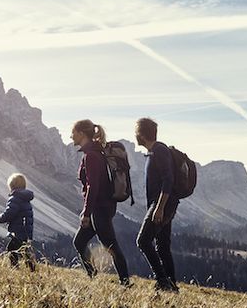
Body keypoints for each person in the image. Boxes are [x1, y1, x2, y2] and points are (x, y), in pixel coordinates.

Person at [71, 119, 130, 285]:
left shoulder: (91, 156)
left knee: (111, 245)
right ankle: (93, 275)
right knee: (79, 241)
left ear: (82, 134)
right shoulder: (97, 153)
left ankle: (125, 282)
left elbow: (93, 186)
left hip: (99, 209)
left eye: (73, 132)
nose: (71, 136)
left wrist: (86, 213)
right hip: (104, 207)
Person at [135, 117, 179, 291]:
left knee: (143, 241)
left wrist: (159, 208)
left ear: (142, 134)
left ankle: (162, 281)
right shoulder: (153, 152)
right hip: (165, 203)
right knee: (162, 245)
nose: (135, 136)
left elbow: (168, 179)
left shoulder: (159, 150)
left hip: (162, 204)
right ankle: (172, 284)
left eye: (137, 132)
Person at [0, 173, 36, 272]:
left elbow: (9, 213)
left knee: (11, 249)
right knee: (25, 251)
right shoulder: (26, 199)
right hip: (26, 230)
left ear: (11, 186)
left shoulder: (15, 198)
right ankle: (32, 271)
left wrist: (0, 217)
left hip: (18, 230)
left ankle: (15, 269)